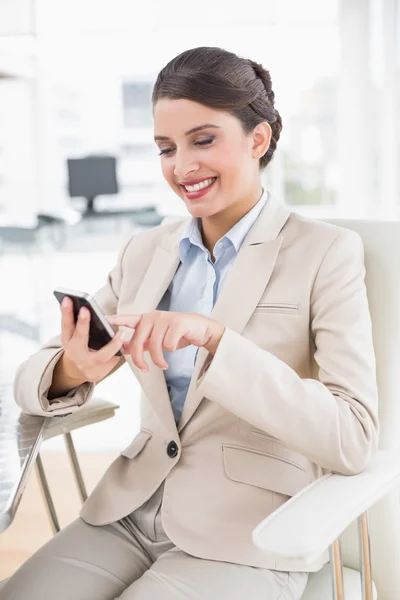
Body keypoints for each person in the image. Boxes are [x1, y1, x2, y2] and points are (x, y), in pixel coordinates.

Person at [3, 46, 379, 600]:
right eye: (165, 148)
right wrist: (70, 369)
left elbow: (353, 439)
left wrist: (217, 340)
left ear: (259, 139)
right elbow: (29, 379)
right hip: (128, 513)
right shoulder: (146, 250)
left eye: (203, 140)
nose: (181, 167)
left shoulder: (325, 253)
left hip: (246, 531)